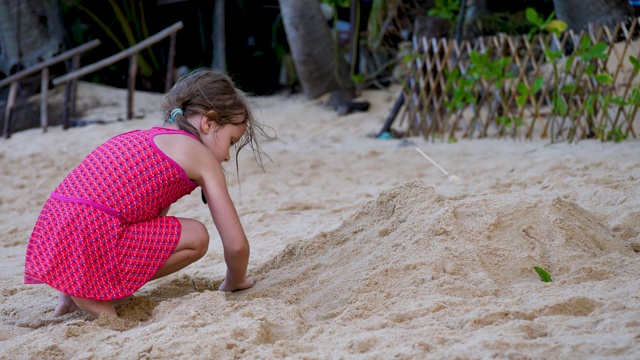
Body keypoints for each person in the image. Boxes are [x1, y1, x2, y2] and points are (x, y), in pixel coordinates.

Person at [24, 68, 267, 318]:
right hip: (90, 235)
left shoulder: (147, 138)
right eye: (231, 142)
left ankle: (70, 293)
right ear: (208, 122)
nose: (227, 156)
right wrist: (234, 281)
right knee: (197, 237)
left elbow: (117, 209)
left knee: (108, 219)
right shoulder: (201, 156)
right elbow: (236, 245)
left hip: (54, 229)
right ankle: (95, 292)